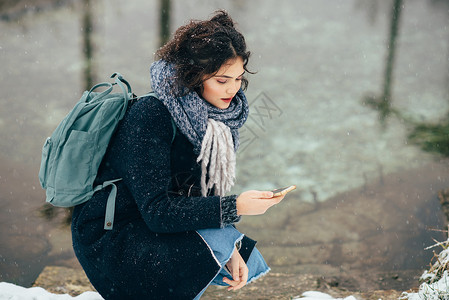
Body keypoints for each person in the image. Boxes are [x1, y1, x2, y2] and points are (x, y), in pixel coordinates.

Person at [71, 10, 285, 299]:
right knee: (213, 248)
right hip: (113, 235)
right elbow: (158, 212)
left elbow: (193, 195)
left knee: (237, 253)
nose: (233, 89)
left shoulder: (214, 120)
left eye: (238, 78)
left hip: (149, 223)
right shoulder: (152, 115)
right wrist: (235, 209)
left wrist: (230, 245)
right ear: (194, 76)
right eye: (222, 81)